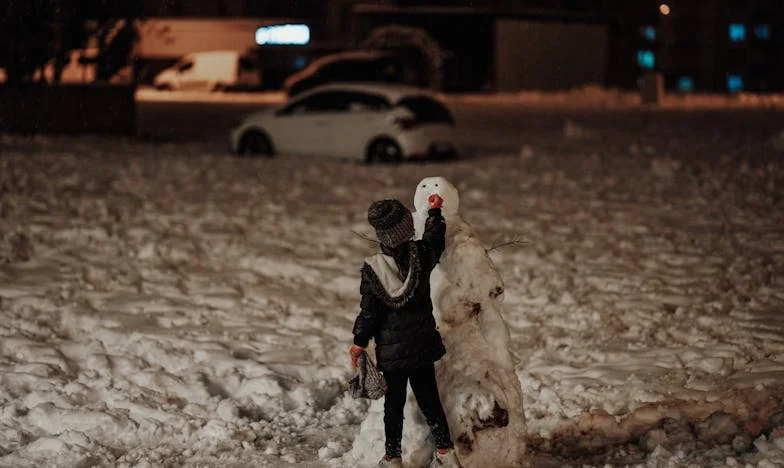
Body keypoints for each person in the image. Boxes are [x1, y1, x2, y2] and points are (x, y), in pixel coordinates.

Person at [350, 196, 463, 468]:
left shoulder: (374, 270)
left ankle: (392, 457)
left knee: (394, 405)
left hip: (393, 354)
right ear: (407, 228)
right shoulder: (420, 255)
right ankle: (446, 452)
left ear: (382, 236)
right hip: (421, 345)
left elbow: (369, 313)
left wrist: (359, 342)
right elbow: (435, 239)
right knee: (430, 400)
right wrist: (435, 211)